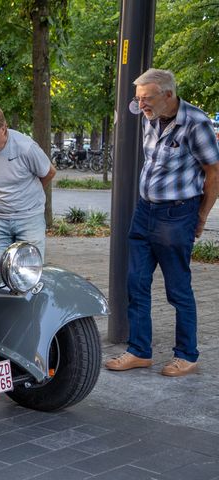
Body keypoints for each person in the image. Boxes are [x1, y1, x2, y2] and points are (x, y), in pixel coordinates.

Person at [105, 68, 219, 377]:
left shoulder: (196, 122)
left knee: (178, 289)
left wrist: (201, 215)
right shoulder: (150, 116)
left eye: (146, 98)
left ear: (168, 94)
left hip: (176, 215)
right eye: (138, 98)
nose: (141, 104)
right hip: (144, 212)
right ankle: (140, 351)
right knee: (136, 283)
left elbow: (214, 171)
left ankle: (187, 354)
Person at [0, 105, 56, 266]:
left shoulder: (25, 148)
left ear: (3, 128)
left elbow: (49, 173)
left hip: (29, 218)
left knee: (29, 272)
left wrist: (26, 193)